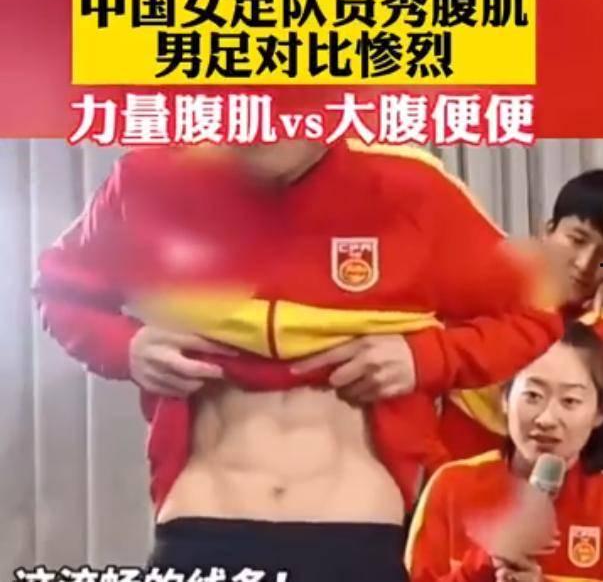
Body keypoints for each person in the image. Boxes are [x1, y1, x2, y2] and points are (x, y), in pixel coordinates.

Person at [34, 139, 564, 580]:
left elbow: (535, 309)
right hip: (204, 524)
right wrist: (126, 347)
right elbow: (60, 290)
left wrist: (424, 356)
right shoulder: (152, 179)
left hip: (355, 533)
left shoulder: (410, 188)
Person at [405, 320, 603, 582]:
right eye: (533, 395)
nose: (546, 419)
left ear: (598, 413)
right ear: (505, 399)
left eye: (570, 401)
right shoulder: (452, 486)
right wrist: (486, 562)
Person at [438, 170, 603, 467]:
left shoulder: (593, 324)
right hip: (450, 454)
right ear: (548, 230)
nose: (585, 264)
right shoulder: (491, 284)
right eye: (577, 240)